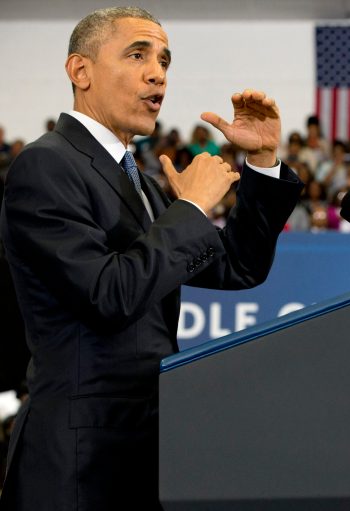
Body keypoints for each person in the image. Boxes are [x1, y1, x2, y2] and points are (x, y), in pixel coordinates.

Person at [0, 7, 302, 510]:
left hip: (143, 452)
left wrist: (263, 163)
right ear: (81, 71)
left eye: (164, 59)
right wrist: (190, 208)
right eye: (137, 54)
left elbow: (239, 266)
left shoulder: (137, 180)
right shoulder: (46, 163)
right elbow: (107, 295)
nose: (157, 72)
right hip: (79, 461)